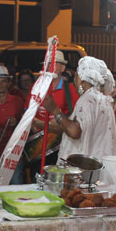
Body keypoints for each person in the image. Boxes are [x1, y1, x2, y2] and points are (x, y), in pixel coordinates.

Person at [39, 56, 116, 161]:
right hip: (99, 162)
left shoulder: (87, 99)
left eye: (76, 75)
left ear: (82, 78)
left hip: (86, 167)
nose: (74, 80)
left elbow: (75, 131)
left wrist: (55, 110)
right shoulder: (103, 100)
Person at [25, 50, 79, 178]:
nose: (50, 67)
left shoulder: (69, 89)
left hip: (59, 144)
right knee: (37, 178)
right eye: (48, 64)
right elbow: (27, 111)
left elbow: (76, 116)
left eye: (55, 64)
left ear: (63, 67)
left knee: (57, 178)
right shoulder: (36, 86)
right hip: (38, 143)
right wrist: (32, 123)